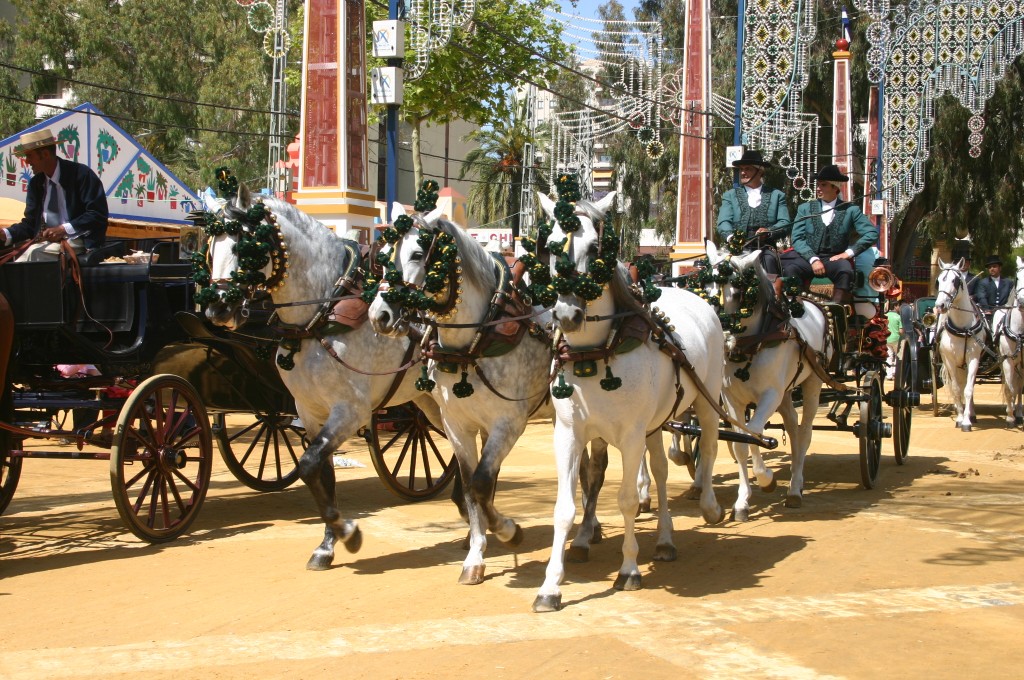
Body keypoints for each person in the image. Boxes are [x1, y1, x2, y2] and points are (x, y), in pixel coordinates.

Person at [3, 128, 108, 262]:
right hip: (48, 244)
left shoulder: (82, 175)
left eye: (29, 156)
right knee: (15, 262)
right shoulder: (36, 184)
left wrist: (63, 229)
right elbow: (30, 224)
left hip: (79, 240)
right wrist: (5, 233)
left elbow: (97, 214)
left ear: (45, 154)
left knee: (33, 255)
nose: (27, 161)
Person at [784, 164, 879, 305]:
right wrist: (813, 259)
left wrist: (848, 253)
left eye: (823, 185)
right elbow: (797, 238)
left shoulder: (851, 210)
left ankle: (836, 311)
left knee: (846, 271)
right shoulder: (805, 208)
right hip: (808, 258)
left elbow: (871, 233)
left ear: (835, 188)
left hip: (834, 259)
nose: (818, 188)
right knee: (791, 269)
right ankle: (795, 308)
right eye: (818, 184)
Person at [715, 149, 791, 276]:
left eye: (748, 169)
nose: (743, 172)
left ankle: (773, 294)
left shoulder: (777, 195)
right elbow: (723, 222)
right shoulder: (730, 195)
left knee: (769, 261)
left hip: (765, 248)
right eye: (741, 169)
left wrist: (769, 232)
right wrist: (731, 238)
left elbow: (785, 223)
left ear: (760, 171)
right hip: (737, 247)